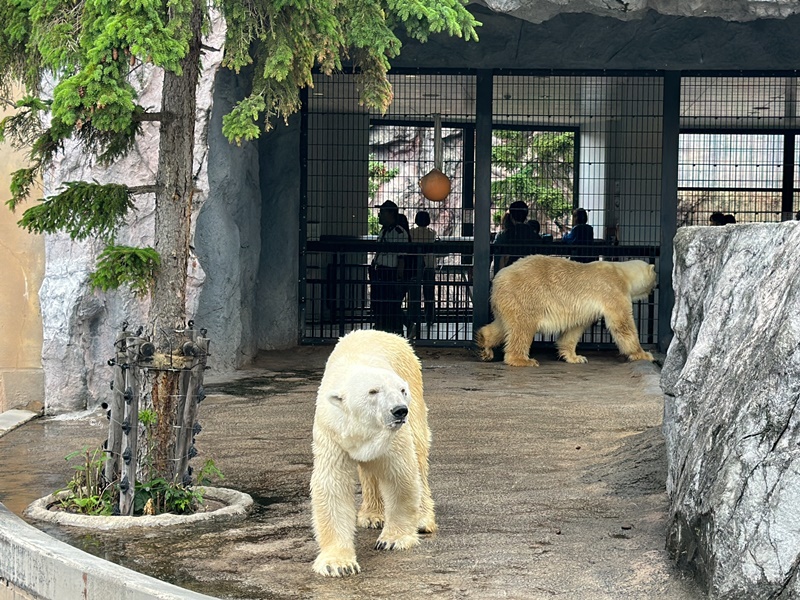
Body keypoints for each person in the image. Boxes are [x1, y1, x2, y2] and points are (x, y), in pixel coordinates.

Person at [370, 200, 408, 335]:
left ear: (390, 213)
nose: (379, 215)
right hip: (380, 270)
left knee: (390, 304)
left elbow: (401, 257)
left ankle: (402, 327)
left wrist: (399, 276)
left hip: (390, 271)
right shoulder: (384, 231)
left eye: (382, 212)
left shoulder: (398, 232)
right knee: (380, 303)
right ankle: (383, 328)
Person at [408, 211, 438, 336]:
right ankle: (429, 317)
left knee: (414, 293)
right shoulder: (432, 233)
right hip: (429, 265)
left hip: (415, 266)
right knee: (429, 293)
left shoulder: (411, 232)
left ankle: (414, 317)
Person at [492, 200, 538, 276]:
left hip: (509, 276)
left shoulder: (503, 236)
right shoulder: (534, 236)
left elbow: (498, 260)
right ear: (526, 216)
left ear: (511, 217)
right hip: (529, 276)